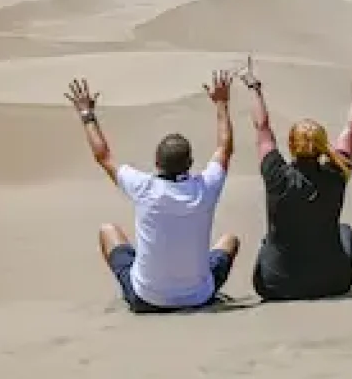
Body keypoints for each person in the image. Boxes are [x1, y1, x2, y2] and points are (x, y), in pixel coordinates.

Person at [68, 72, 240, 313]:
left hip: (146, 299)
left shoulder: (144, 187)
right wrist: (222, 103)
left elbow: (103, 156)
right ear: (190, 162)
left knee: (108, 231)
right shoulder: (206, 186)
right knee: (229, 240)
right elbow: (225, 148)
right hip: (199, 297)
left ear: (156, 162)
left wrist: (87, 115)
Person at [244, 56, 352, 300]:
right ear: (323, 145)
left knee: (268, 240)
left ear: (291, 146)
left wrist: (255, 89)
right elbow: (351, 128)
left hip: (276, 285)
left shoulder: (277, 176)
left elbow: (262, 129)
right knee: (344, 230)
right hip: (334, 282)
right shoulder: (336, 173)